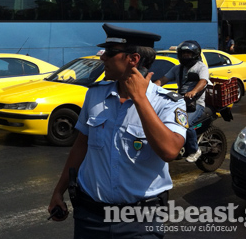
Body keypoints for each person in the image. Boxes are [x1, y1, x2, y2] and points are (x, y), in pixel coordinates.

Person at [48, 24, 187, 238]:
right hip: (91, 216)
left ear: (133, 59)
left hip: (140, 221)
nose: (102, 57)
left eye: (110, 52)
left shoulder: (167, 103)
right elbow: (81, 146)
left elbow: (170, 151)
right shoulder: (94, 95)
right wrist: (59, 191)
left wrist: (140, 99)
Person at [154, 40, 210, 163]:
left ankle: (195, 150)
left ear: (195, 54)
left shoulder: (201, 67)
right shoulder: (177, 69)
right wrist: (150, 88)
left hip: (196, 104)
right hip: (180, 102)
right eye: (183, 54)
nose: (185, 56)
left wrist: (193, 92)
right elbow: (162, 80)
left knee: (185, 124)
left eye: (188, 54)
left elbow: (203, 81)